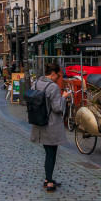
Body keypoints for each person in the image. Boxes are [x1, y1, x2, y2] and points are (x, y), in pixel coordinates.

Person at [30, 63, 68, 191]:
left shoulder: (35, 84)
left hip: (39, 123)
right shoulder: (53, 87)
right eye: (58, 75)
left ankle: (48, 178)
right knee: (51, 153)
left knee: (48, 152)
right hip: (51, 124)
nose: (58, 78)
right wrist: (64, 98)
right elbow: (58, 108)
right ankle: (50, 182)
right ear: (52, 74)